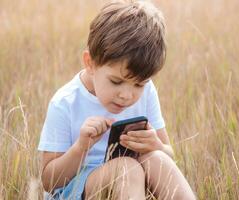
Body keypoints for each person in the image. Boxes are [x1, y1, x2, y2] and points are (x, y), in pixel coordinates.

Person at [38, 0, 196, 199]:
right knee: (126, 168)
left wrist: (157, 146)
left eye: (139, 84)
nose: (127, 96)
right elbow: (49, 182)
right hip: (77, 189)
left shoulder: (147, 91)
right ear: (90, 63)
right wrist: (80, 148)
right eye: (116, 81)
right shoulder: (65, 103)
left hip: (133, 183)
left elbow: (169, 155)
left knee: (157, 159)